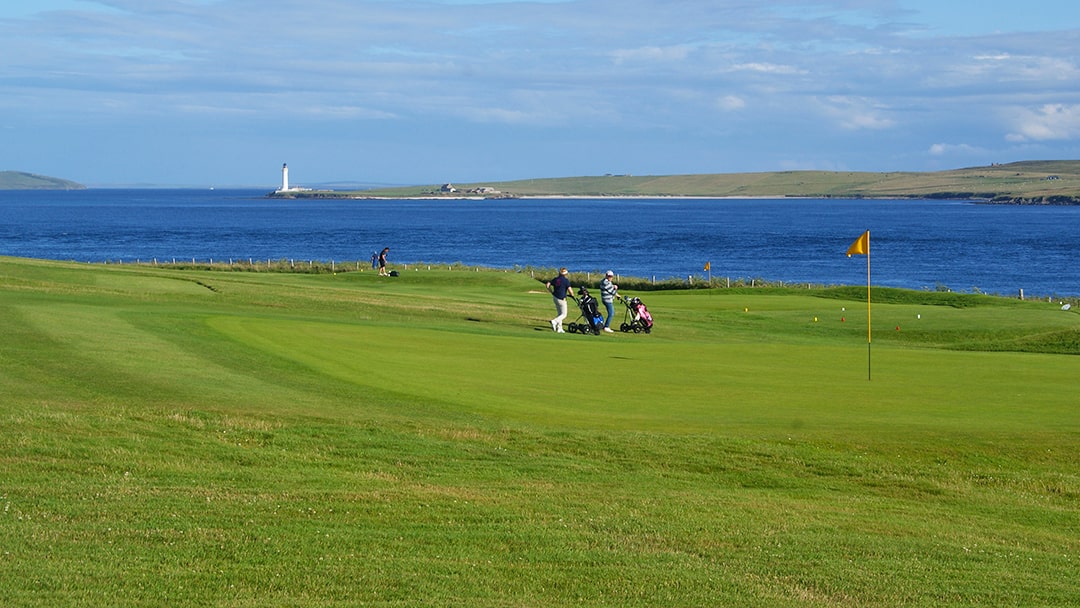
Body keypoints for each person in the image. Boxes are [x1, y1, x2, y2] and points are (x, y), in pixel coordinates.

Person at [545, 268, 571, 333]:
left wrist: (551, 292)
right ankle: (554, 321)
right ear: (565, 274)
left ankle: (559, 328)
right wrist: (572, 295)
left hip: (555, 297)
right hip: (562, 299)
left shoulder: (555, 279)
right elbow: (570, 290)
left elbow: (547, 285)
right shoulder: (566, 281)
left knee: (560, 314)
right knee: (564, 314)